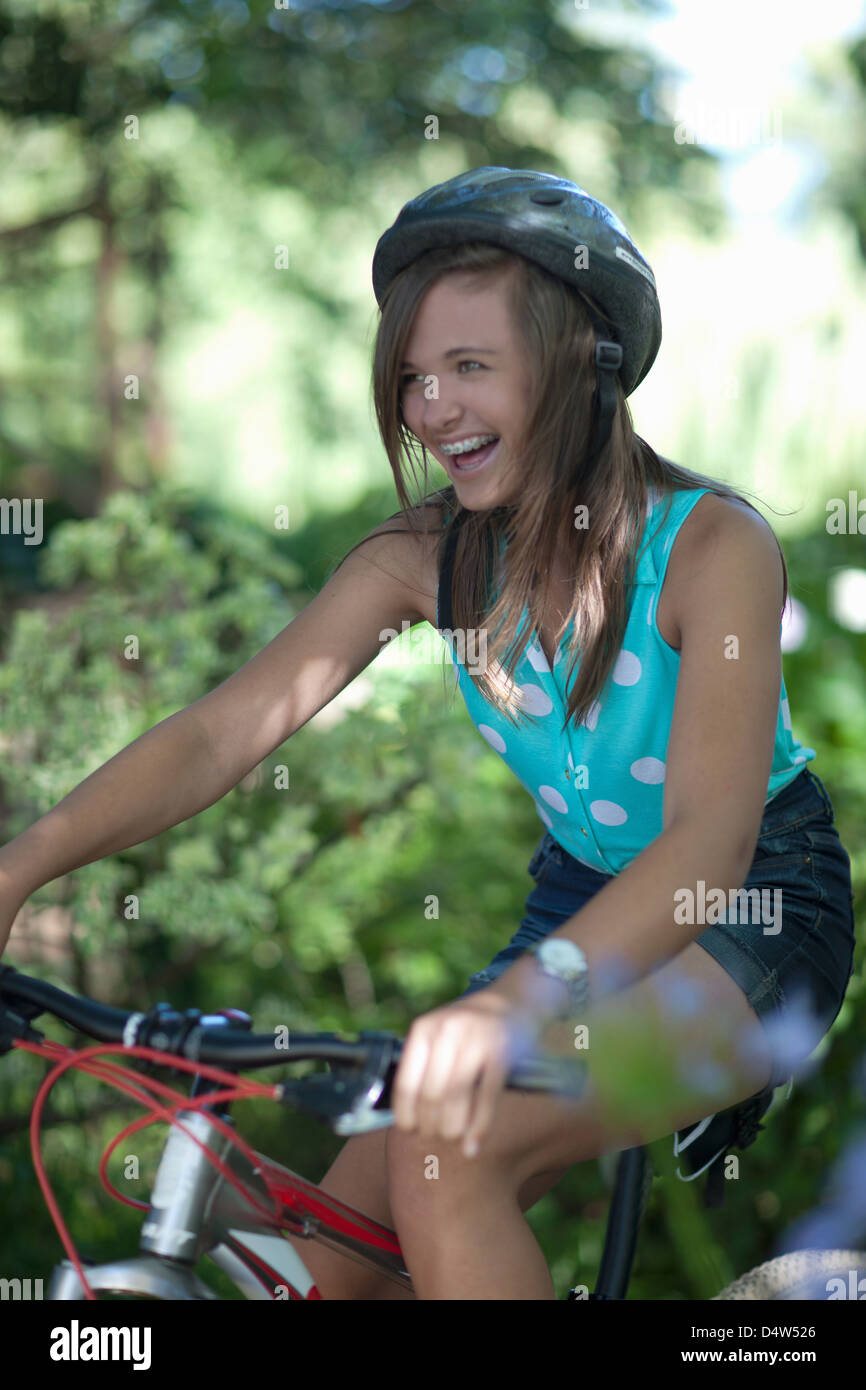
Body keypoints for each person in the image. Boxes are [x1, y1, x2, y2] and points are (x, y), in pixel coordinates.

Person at [0, 167, 856, 1301]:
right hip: (582, 910)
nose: (430, 406)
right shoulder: (424, 557)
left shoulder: (710, 550)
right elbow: (221, 734)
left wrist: (511, 1001)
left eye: (467, 366)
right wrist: (22, 865)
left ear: (578, 363)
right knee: (328, 1248)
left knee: (445, 1151)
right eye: (410, 376)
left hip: (757, 920)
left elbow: (706, 846)